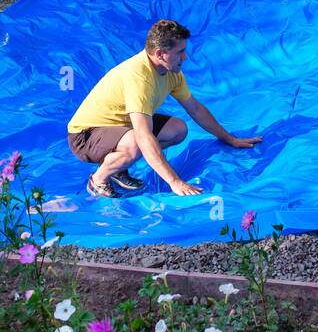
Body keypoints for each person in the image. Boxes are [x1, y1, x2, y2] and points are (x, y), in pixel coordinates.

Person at [67, 19, 262, 198]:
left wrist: (230, 139)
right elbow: (143, 136)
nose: (184, 57)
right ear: (160, 54)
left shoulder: (171, 71)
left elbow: (195, 108)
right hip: (85, 135)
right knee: (137, 142)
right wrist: (174, 182)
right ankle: (98, 180)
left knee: (177, 129)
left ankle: (118, 166)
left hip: (121, 127)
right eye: (179, 52)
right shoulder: (139, 78)